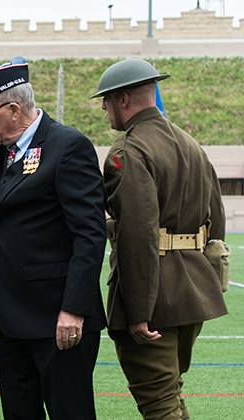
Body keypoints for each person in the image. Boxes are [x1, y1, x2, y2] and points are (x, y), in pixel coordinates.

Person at [0, 57, 107, 420]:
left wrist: (74, 309)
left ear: (14, 109)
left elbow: (90, 234)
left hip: (58, 320)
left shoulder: (68, 146)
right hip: (9, 318)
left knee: (72, 414)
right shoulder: (1, 152)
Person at [92, 58, 227, 420]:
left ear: (123, 100)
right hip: (193, 291)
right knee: (170, 395)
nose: (104, 109)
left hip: (153, 302)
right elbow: (216, 220)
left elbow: (137, 232)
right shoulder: (191, 144)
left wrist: (138, 310)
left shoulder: (128, 150)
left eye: (105, 100)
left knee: (159, 405)